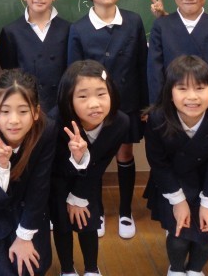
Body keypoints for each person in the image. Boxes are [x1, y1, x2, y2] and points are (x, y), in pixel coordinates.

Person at [67, 0, 148, 240]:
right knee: (95, 156)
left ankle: (125, 211)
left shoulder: (133, 21)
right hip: (93, 108)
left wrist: (145, 105)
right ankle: (98, 210)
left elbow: (142, 65)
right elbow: (73, 74)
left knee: (125, 154)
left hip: (128, 102)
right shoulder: (78, 28)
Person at [143, 55, 208, 276]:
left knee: (207, 236)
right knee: (179, 235)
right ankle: (176, 269)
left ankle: (195, 270)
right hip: (173, 183)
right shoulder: (157, 118)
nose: (192, 97)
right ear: (170, 93)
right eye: (182, 89)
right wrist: (178, 201)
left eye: (200, 88)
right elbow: (158, 163)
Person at [0, 69, 57, 275]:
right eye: (5, 111)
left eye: (23, 111)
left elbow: (40, 186)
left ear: (36, 112)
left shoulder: (46, 130)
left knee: (32, 268)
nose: (14, 120)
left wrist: (25, 235)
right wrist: (0, 167)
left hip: (29, 214)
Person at [50, 60, 129, 276]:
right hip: (58, 180)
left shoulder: (120, 123)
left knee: (89, 220)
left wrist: (79, 195)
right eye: (83, 96)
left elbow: (100, 164)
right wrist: (75, 159)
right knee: (62, 224)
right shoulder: (55, 123)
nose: (94, 104)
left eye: (101, 94)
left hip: (89, 179)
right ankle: (67, 269)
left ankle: (92, 268)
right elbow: (53, 166)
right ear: (68, 99)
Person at [0, 0, 70, 114]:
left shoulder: (69, 29)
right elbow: (9, 72)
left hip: (62, 107)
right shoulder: (10, 32)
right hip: (26, 108)